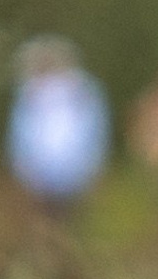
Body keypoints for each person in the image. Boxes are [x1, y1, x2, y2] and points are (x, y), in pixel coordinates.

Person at [8, 36, 111, 209]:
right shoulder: (28, 93)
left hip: (78, 179)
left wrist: (93, 169)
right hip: (39, 182)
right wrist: (24, 172)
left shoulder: (85, 90)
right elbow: (20, 135)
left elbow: (95, 131)